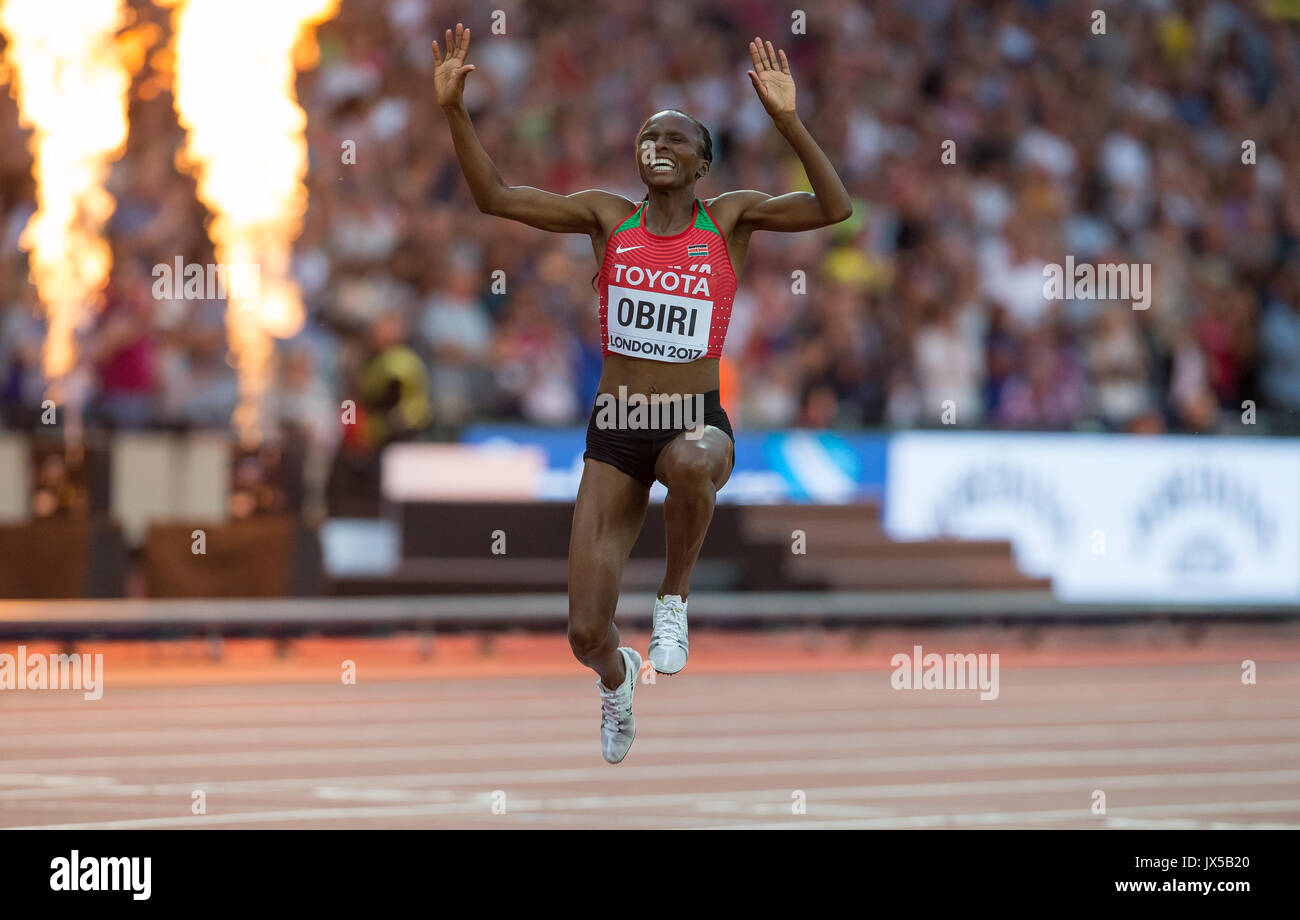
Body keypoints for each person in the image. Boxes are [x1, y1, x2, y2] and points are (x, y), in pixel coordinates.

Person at [435, 23, 852, 763]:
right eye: (647, 135)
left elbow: (833, 207)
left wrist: (787, 120)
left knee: (692, 464)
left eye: (675, 138)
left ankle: (672, 602)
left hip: (693, 419)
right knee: (584, 631)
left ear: (702, 164)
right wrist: (455, 112)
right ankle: (619, 677)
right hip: (619, 426)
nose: (656, 144)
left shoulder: (729, 219)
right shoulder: (606, 218)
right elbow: (495, 197)